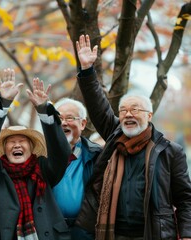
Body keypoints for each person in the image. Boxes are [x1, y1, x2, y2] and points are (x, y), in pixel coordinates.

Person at [74, 34, 191, 240]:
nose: (128, 114)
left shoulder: (170, 151)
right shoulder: (115, 137)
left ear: (149, 115)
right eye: (123, 110)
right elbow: (98, 106)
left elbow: (184, 199)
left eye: (135, 109)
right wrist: (87, 71)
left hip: (153, 234)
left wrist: (188, 234)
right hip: (114, 233)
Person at [0, 68, 72, 239]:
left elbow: (62, 153)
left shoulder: (43, 169)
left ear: (31, 147)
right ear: (4, 147)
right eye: (11, 141)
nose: (17, 145)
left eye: (22, 141)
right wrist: (2, 103)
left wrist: (43, 111)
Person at [52, 98, 102, 239]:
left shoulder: (96, 155)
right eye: (59, 118)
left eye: (70, 118)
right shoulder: (43, 154)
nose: (64, 123)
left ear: (83, 124)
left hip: (84, 230)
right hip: (49, 229)